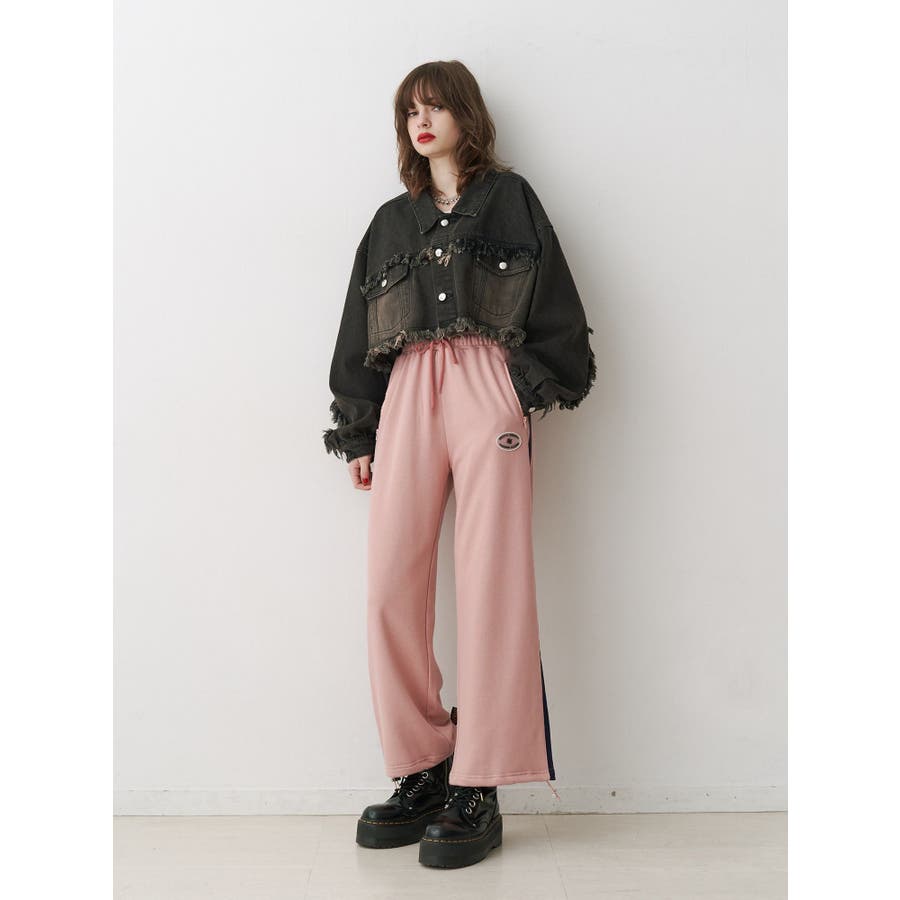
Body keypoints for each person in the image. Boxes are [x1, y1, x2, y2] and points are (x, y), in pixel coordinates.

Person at [322, 60, 596, 868]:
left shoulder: (510, 198)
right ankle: (423, 765)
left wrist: (520, 390)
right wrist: (360, 429)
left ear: (465, 116)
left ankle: (482, 780)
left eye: (436, 106)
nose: (422, 120)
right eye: (411, 109)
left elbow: (555, 300)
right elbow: (357, 327)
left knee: (493, 580)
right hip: (408, 388)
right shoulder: (389, 222)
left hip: (487, 383)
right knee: (390, 583)